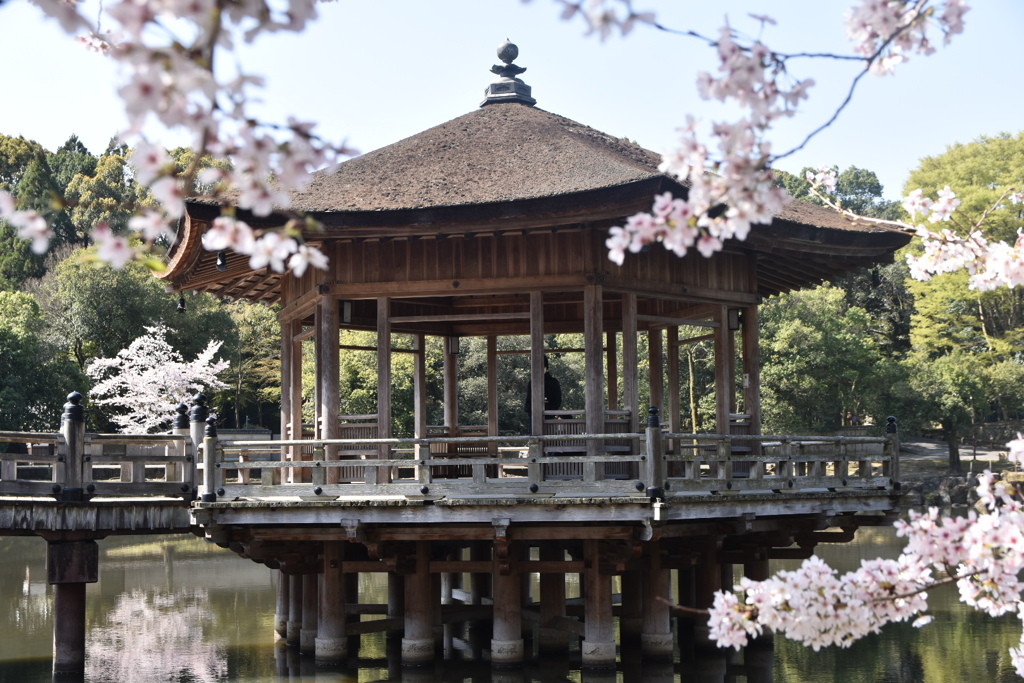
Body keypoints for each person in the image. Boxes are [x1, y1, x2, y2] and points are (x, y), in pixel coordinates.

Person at [524, 356, 562, 433]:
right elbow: (529, 399)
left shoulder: (553, 382)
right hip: (533, 415)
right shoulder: (532, 382)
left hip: (549, 415)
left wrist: (550, 412)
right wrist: (530, 410)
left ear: (545, 367)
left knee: (548, 439)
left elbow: (557, 400)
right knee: (534, 439)